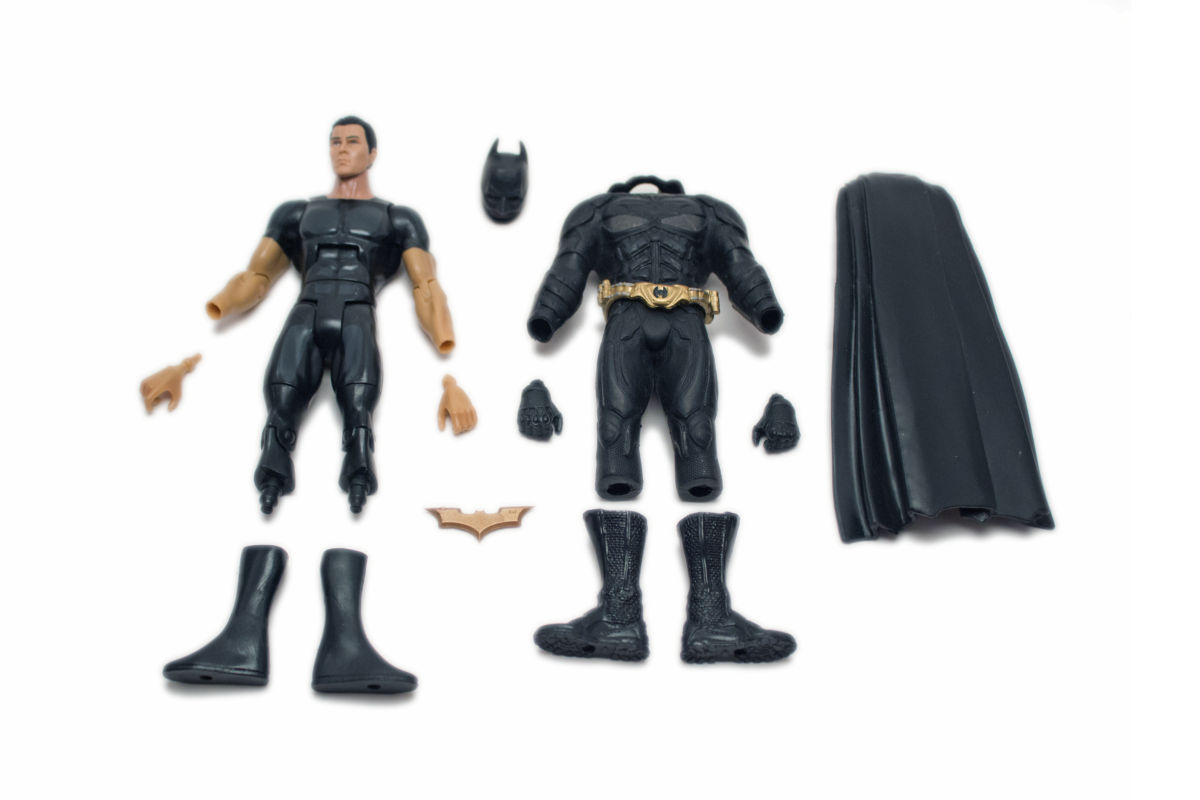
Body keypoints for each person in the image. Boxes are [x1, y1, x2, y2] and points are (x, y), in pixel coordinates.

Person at [207, 116, 474, 515]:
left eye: (352, 141)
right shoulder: (296, 213)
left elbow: (426, 285)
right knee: (281, 395)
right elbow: (257, 274)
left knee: (359, 401)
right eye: (335, 142)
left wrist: (441, 334)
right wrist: (223, 303)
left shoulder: (398, 218)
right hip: (307, 306)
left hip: (357, 309)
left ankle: (359, 473)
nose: (342, 149)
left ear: (372, 153)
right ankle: (272, 476)